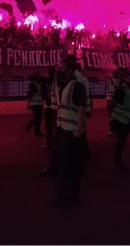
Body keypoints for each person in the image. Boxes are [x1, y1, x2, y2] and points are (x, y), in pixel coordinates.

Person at [49, 54, 88, 208]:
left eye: (62, 63)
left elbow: (82, 107)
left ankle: (66, 197)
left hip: (70, 132)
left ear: (68, 66)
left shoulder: (75, 85)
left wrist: (79, 128)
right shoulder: (63, 83)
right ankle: (71, 196)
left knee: (67, 165)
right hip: (63, 129)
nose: (59, 65)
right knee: (68, 164)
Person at [25, 72, 45, 137]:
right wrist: (28, 104)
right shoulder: (33, 85)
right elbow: (29, 95)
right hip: (35, 104)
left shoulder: (37, 84)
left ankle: (35, 130)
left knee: (38, 117)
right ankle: (36, 131)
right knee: (38, 117)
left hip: (38, 104)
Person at [106, 68, 126, 136]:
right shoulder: (119, 81)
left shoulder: (108, 80)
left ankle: (111, 129)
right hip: (116, 100)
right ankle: (117, 129)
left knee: (111, 116)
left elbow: (106, 89)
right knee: (117, 115)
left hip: (109, 99)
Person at [43, 67, 58, 150]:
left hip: (48, 107)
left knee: (48, 127)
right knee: (55, 126)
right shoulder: (57, 82)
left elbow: (43, 93)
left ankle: (49, 144)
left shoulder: (46, 81)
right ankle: (55, 145)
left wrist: (46, 100)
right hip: (55, 107)